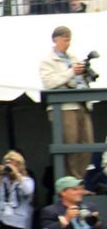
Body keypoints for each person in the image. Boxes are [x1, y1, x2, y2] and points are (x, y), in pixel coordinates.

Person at [40, 26, 94, 178]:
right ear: (55, 40)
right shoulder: (47, 60)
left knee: (88, 144)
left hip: (81, 104)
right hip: (63, 107)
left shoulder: (73, 57)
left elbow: (79, 79)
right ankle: (71, 182)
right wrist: (71, 72)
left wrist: (85, 73)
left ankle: (79, 179)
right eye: (65, 39)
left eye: (69, 39)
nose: (68, 43)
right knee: (70, 145)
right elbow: (49, 83)